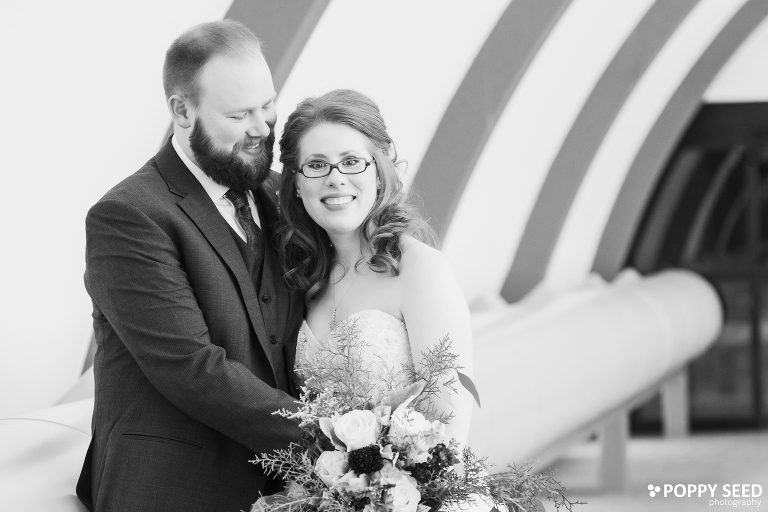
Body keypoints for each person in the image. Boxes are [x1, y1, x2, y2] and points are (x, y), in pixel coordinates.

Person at [76, 20, 303, 512]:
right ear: (182, 110)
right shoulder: (128, 216)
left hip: (293, 490)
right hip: (171, 490)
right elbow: (192, 368)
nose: (263, 128)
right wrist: (336, 438)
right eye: (240, 114)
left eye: (267, 105)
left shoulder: (282, 193)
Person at [277, 89, 474, 444]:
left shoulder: (420, 270)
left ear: (379, 173)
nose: (335, 178)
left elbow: (450, 427)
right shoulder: (301, 278)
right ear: (297, 184)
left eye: (352, 161)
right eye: (316, 165)